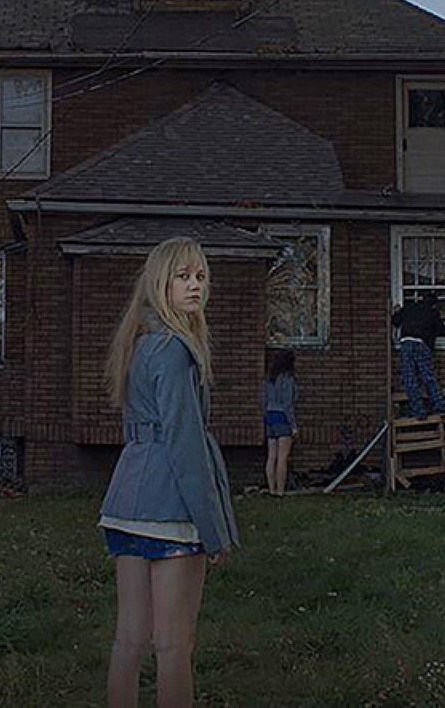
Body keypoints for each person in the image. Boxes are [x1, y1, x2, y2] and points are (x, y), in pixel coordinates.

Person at [99, 237, 240, 708]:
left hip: (125, 503)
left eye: (200, 276)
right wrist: (214, 530)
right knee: (174, 645)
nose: (195, 286)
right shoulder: (176, 351)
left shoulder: (137, 343)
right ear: (161, 282)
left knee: (129, 640)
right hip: (170, 510)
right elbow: (185, 446)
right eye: (183, 276)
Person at [391, 292, 445, 418]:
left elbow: (395, 321)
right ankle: (440, 405)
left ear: (421, 299)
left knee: (410, 378)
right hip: (421, 344)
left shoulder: (409, 307)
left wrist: (396, 311)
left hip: (406, 343)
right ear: (434, 304)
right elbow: (442, 331)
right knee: (428, 376)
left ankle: (418, 410)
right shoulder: (433, 313)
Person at [263, 349, 298, 495]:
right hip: (283, 417)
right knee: (283, 457)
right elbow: (287, 403)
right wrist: (293, 426)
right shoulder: (288, 378)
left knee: (272, 456)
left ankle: (271, 489)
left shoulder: (269, 379)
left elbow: (263, 400)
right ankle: (280, 491)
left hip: (270, 416)